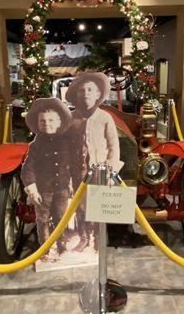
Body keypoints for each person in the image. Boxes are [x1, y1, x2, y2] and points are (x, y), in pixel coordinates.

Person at [66, 72, 123, 252]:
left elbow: (114, 146)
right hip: (78, 170)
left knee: (98, 205)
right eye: (82, 90)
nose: (86, 94)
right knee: (79, 205)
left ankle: (98, 238)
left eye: (90, 90)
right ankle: (84, 237)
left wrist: (110, 169)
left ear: (98, 94)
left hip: (100, 169)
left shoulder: (105, 118)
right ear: (76, 95)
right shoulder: (70, 118)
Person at [21, 98, 72, 260]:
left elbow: (70, 165)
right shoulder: (35, 146)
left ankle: (62, 245)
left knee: (61, 217)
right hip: (43, 190)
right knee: (42, 219)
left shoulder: (66, 142)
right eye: (42, 121)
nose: (46, 123)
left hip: (62, 189)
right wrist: (32, 188)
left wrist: (70, 183)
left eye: (51, 120)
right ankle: (45, 249)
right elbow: (27, 168)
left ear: (59, 122)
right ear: (37, 123)